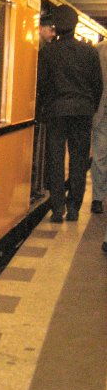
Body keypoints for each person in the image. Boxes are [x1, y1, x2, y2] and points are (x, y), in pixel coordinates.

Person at [37, 4, 103, 223]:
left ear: (56, 26)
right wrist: (89, 107)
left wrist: (45, 107)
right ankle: (74, 207)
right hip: (82, 112)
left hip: (56, 111)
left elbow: (42, 84)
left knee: (55, 159)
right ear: (75, 26)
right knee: (78, 160)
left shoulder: (48, 52)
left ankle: (57, 209)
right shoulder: (89, 52)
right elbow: (97, 85)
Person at [90, 39, 107, 251]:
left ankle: (98, 197)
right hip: (102, 112)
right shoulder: (100, 49)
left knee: (101, 155)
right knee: (100, 156)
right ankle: (97, 197)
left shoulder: (99, 49)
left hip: (101, 111)